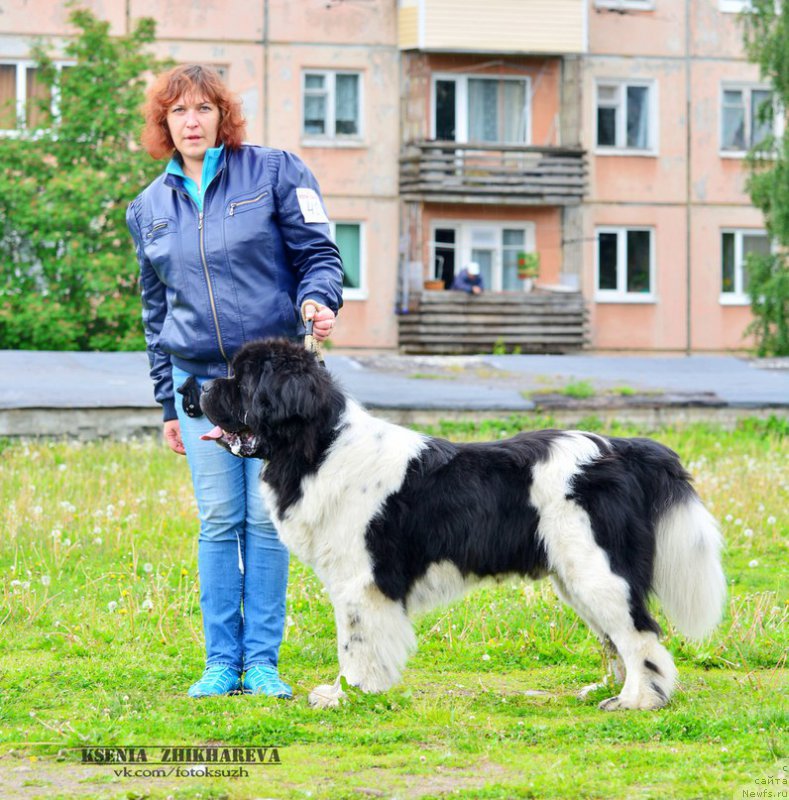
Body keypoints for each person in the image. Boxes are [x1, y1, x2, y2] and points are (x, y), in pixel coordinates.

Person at [126, 64, 344, 699]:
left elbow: (318, 254)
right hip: (200, 387)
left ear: (223, 116)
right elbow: (155, 315)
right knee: (220, 519)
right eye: (178, 111)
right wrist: (167, 403)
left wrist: (318, 299)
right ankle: (221, 662)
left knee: (265, 518)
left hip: (271, 385)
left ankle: (263, 664)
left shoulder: (274, 171)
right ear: (164, 123)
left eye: (203, 108)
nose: (191, 121)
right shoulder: (147, 208)